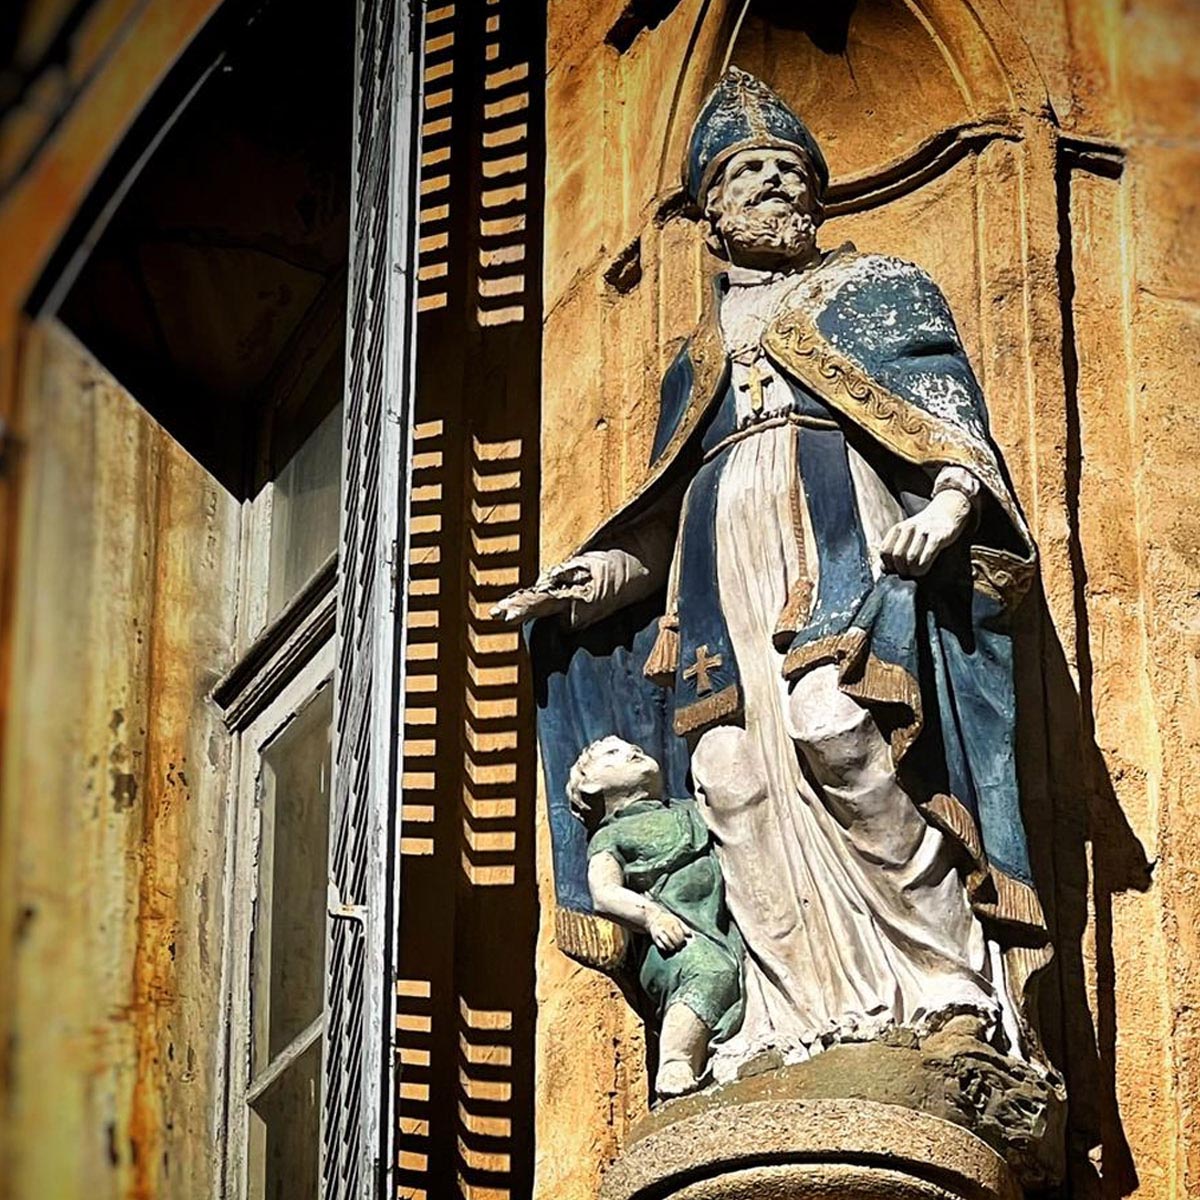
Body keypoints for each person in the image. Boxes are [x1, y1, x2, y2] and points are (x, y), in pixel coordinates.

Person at [501, 68, 1050, 1081]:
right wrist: (581, 585)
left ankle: (951, 986)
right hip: (716, 581)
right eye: (751, 177)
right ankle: (780, 1022)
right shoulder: (694, 356)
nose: (778, 190)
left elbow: (948, 424)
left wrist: (948, 506)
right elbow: (655, 527)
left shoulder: (875, 288)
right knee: (726, 778)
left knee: (835, 731)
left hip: (840, 542)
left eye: (791, 173)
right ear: (710, 215)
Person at [569, 736, 743, 1099]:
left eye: (632, 747)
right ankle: (676, 1059)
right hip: (677, 933)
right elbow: (604, 892)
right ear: (591, 784)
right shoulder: (610, 835)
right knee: (711, 972)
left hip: (719, 918)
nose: (633, 751)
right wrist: (652, 916)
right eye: (612, 754)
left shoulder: (688, 809)